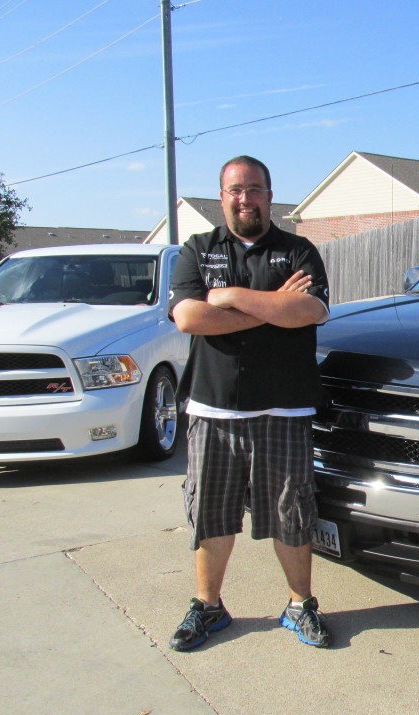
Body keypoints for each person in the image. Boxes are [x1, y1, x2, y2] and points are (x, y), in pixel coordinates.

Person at [167, 155, 332, 651]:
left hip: (284, 408)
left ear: (269, 194)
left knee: (292, 513)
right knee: (211, 513)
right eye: (236, 190)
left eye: (255, 189)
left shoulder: (298, 251)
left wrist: (233, 297)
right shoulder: (197, 250)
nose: (246, 198)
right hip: (213, 409)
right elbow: (190, 318)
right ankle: (208, 607)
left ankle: (300, 605)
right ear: (222, 197)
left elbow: (310, 310)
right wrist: (272, 307)